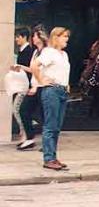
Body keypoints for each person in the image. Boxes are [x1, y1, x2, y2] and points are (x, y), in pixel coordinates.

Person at [31, 27, 71, 171]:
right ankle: (49, 158)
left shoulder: (64, 54)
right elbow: (35, 65)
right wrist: (41, 80)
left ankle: (53, 156)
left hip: (62, 90)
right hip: (51, 91)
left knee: (57, 126)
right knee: (50, 125)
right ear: (55, 38)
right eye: (64, 36)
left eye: (67, 36)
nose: (66, 39)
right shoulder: (49, 52)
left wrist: (67, 85)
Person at [18, 26, 49, 150]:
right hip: (35, 86)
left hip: (42, 87)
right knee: (23, 110)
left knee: (44, 115)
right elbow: (33, 69)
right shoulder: (36, 52)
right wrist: (20, 66)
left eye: (35, 36)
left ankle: (48, 142)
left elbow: (44, 71)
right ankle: (30, 138)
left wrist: (36, 86)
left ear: (40, 37)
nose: (33, 38)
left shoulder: (47, 52)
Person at [11, 27, 33, 142]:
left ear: (24, 37)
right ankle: (24, 133)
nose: (16, 39)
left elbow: (32, 69)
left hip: (25, 86)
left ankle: (25, 133)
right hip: (21, 85)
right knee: (18, 109)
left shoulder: (28, 51)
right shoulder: (23, 51)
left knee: (18, 109)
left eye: (17, 37)